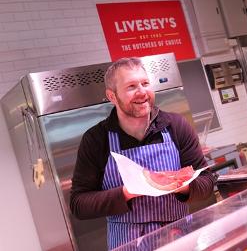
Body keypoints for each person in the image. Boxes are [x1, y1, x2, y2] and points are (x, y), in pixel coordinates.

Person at [70, 57, 215, 250]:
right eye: (131, 86)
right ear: (112, 96)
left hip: (179, 236)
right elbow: (78, 204)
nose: (142, 92)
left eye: (145, 83)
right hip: (127, 242)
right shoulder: (97, 139)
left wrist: (180, 185)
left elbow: (207, 182)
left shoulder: (176, 126)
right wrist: (126, 193)